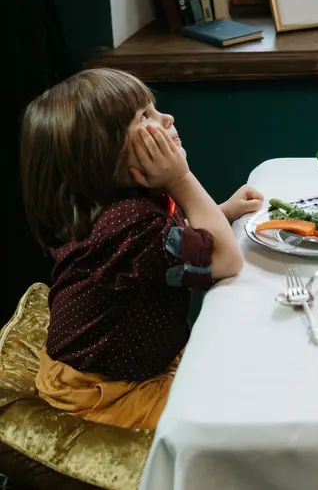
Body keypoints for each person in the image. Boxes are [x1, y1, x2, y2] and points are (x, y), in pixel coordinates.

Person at [20, 67, 264, 429]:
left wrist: (221, 213)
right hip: (102, 391)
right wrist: (182, 177)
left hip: (128, 366)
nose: (168, 118)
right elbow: (225, 260)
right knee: (232, 417)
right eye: (145, 116)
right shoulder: (129, 226)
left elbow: (183, 235)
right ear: (103, 154)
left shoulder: (128, 203)